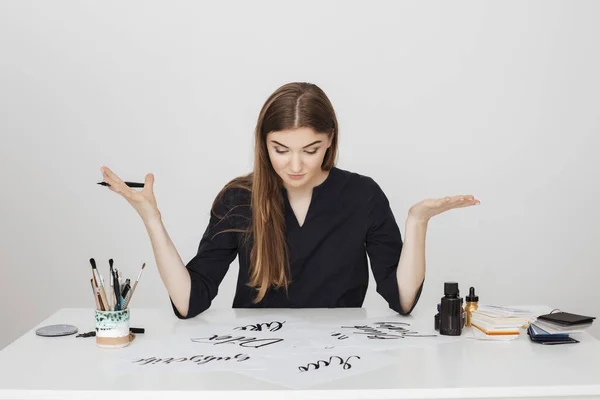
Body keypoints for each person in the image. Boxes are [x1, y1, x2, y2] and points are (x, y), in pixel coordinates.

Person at [100, 82, 479, 319]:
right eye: (280, 149)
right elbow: (190, 302)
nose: (295, 165)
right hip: (257, 355)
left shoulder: (363, 195)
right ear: (264, 144)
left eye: (310, 149)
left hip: (343, 358)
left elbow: (403, 300)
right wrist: (152, 219)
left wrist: (417, 223)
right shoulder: (238, 198)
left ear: (330, 140)